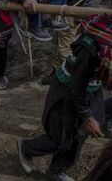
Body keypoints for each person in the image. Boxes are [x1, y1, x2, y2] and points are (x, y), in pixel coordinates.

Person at [17, 13, 112, 180]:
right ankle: (26, 147)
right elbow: (77, 84)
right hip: (68, 90)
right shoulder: (89, 45)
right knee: (61, 139)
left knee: (80, 135)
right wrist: (87, 117)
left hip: (92, 88)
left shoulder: (106, 42)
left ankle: (57, 169)